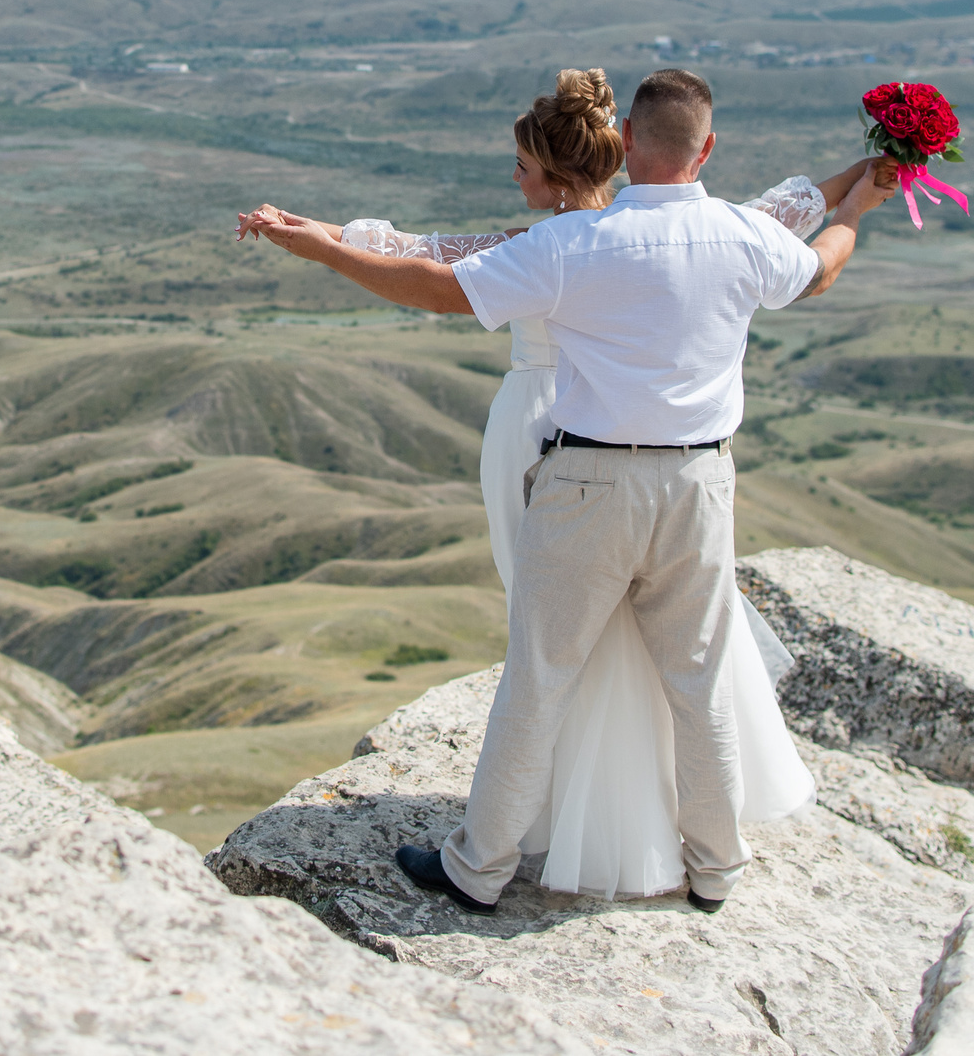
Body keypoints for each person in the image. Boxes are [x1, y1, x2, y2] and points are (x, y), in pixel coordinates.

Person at [240, 68, 895, 916]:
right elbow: (821, 267)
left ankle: (479, 868)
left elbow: (441, 289)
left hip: (592, 476)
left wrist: (324, 247)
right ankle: (717, 868)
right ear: (709, 147)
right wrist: (856, 211)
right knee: (697, 682)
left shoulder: (573, 244)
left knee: (541, 674)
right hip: (701, 480)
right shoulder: (742, 233)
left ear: (627, 138)